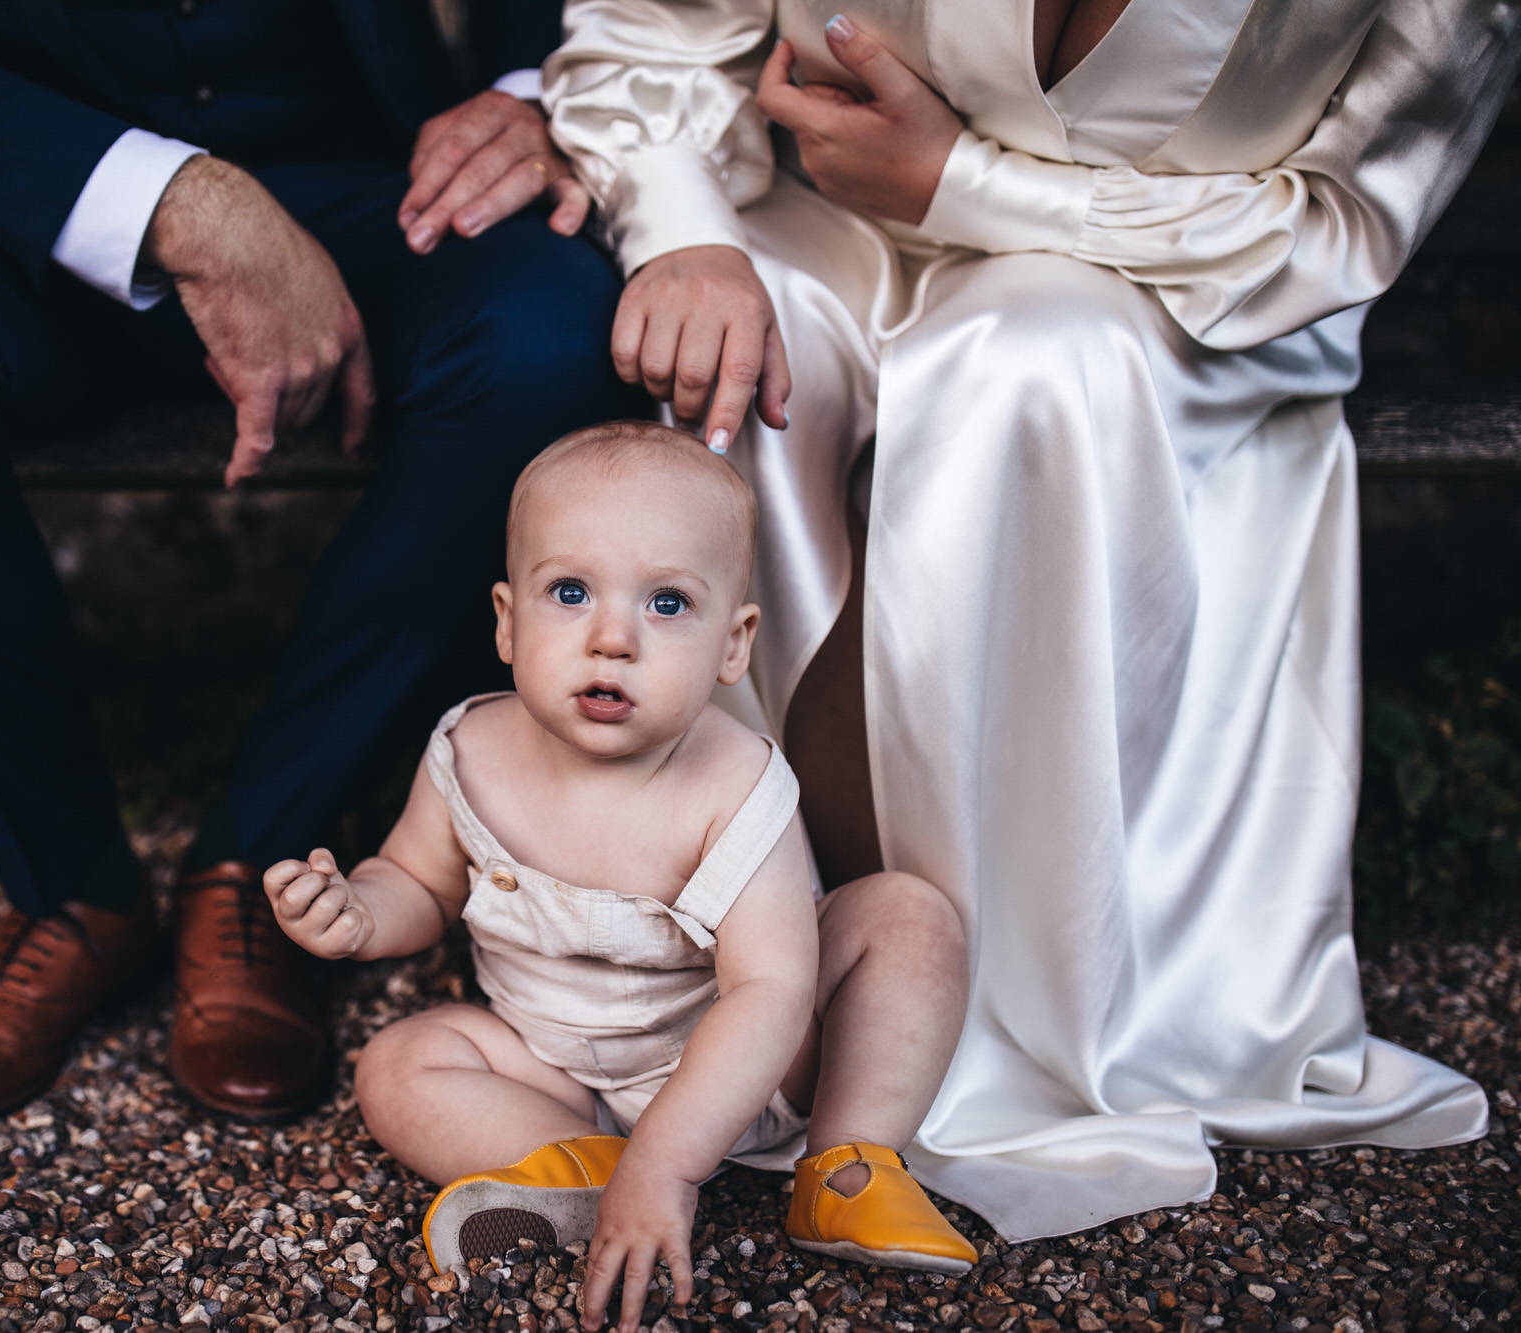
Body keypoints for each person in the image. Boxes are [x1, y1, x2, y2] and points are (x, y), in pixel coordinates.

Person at [542, 0, 1515, 1239]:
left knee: (1029, 366)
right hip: (839, 223)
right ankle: (704, 983)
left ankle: (948, 1035)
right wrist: (679, 230)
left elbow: (1341, 222)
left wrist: (966, 183)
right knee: (717, 365)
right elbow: (655, 33)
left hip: (1169, 287)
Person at [0, 0, 643, 1131]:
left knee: (550, 338)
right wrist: (171, 199)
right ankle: (70, 891)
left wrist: (530, 92)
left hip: (364, 187)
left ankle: (257, 856)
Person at [264, 422, 979, 1332]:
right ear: (507, 621)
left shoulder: (734, 786)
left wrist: (674, 1159)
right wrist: (361, 911)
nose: (613, 639)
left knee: (907, 919)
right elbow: (418, 877)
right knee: (399, 1065)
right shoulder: (468, 750)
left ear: (734, 643)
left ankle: (847, 1162)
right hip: (553, 1070)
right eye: (570, 591)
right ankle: (585, 1168)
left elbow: (769, 990)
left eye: (668, 604)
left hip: (745, 1069)